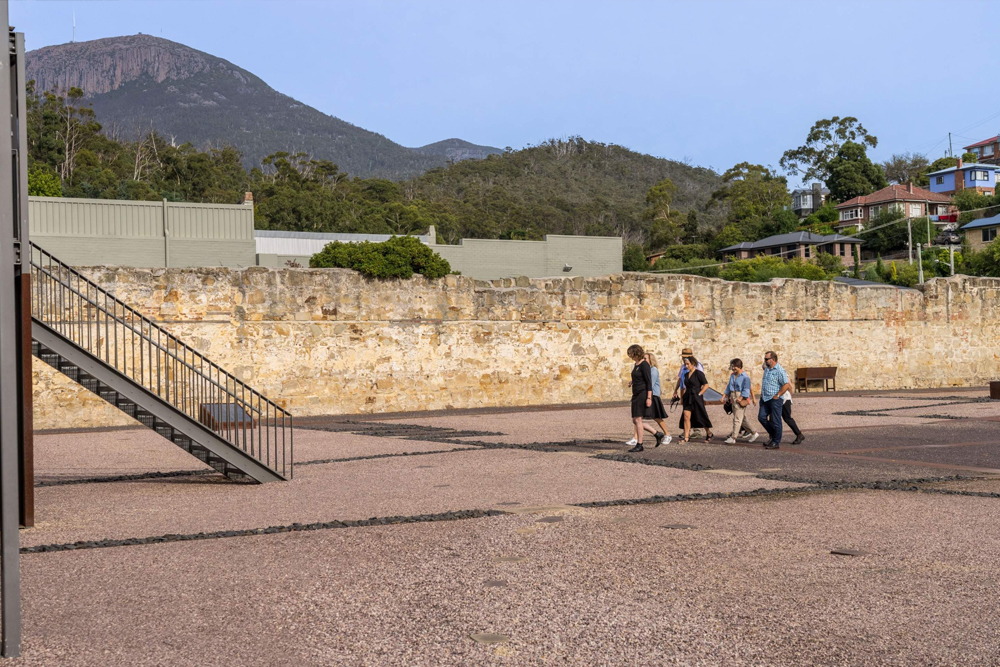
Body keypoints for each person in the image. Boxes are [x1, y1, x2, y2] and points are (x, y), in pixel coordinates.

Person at [758, 350, 792, 450]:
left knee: (776, 421)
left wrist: (778, 395)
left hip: (775, 399)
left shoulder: (780, 370)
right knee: (761, 417)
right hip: (765, 398)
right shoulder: (767, 369)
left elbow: (786, 385)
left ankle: (776, 442)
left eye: (766, 359)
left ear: (773, 360)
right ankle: (774, 435)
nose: (764, 361)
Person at [723, 358, 759, 445]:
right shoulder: (732, 375)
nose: (733, 368)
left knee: (737, 419)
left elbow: (746, 389)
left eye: (734, 366)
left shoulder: (745, 377)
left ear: (739, 366)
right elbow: (729, 386)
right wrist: (725, 396)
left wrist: (741, 397)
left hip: (740, 398)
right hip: (733, 397)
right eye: (732, 366)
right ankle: (754, 433)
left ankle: (733, 437)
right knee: (742, 419)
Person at [678, 355, 713, 443]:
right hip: (688, 396)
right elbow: (683, 386)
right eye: (685, 364)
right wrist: (682, 397)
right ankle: (686, 437)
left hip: (696, 397)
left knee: (700, 416)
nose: (686, 366)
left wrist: (700, 393)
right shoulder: (686, 374)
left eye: (688, 364)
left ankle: (709, 432)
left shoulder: (699, 373)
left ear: (693, 363)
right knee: (686, 416)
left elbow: (706, 385)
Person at [625, 344, 652, 452]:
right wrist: (632, 382)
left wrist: (649, 398)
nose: (630, 356)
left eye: (631, 353)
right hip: (636, 394)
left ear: (636, 353)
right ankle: (656, 433)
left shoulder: (644, 364)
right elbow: (639, 377)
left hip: (642, 394)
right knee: (635, 420)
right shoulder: (636, 364)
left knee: (638, 419)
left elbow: (648, 382)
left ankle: (639, 444)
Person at [641, 352, 672, 447]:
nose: (644, 360)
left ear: (650, 360)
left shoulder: (653, 370)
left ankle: (667, 434)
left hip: (653, 395)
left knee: (656, 417)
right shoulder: (645, 370)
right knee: (638, 417)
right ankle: (636, 438)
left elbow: (650, 383)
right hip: (646, 395)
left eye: (645, 358)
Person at [672, 347, 704, 437]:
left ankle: (697, 431)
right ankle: (687, 430)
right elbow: (680, 379)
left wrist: (699, 393)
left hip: (694, 391)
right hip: (685, 391)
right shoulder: (683, 367)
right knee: (686, 412)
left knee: (696, 411)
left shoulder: (698, 366)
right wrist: (675, 390)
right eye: (683, 357)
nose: (683, 358)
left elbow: (701, 379)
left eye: (685, 357)